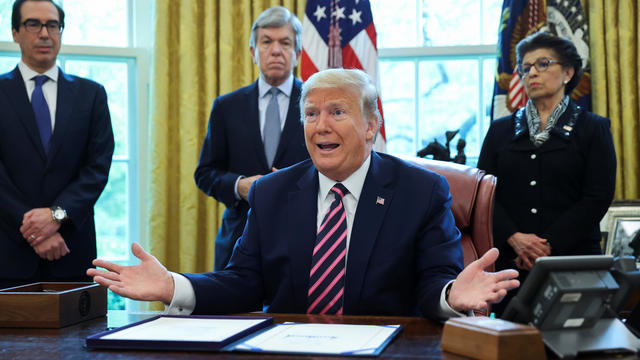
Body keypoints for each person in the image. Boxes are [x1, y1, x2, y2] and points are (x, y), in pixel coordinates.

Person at [89, 68, 518, 321]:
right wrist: (172, 286)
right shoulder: (272, 192)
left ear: (371, 125)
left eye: (337, 112)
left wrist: (451, 297)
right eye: (311, 114)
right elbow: (244, 283)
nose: (320, 126)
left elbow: (433, 285)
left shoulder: (421, 191)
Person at [477, 32, 616, 315]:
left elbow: (597, 197)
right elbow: (482, 192)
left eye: (542, 64)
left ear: (568, 72)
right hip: (512, 264)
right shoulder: (500, 130)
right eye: (525, 68)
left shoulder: (593, 128)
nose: (532, 74)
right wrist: (514, 237)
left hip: (574, 260)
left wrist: (547, 244)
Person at [0, 0, 114, 289]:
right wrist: (36, 230)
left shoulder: (91, 95)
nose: (44, 33)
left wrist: (56, 216)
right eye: (33, 24)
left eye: (53, 25)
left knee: (79, 334)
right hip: (8, 252)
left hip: (72, 252)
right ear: (15, 32)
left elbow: (97, 169)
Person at [194, 6, 309, 271]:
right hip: (238, 240)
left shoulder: (318, 106)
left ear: (298, 54)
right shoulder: (226, 106)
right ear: (253, 52)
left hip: (302, 240)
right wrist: (239, 186)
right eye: (267, 42)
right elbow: (205, 173)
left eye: (285, 42)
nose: (276, 50)